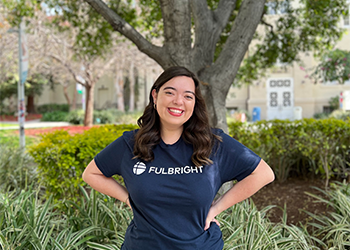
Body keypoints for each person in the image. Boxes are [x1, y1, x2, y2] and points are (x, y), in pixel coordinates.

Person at [82, 66, 275, 250]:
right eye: (170, 92)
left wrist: (216, 209)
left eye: (188, 96)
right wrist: (128, 199)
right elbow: (91, 173)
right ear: (155, 96)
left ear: (194, 103)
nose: (178, 101)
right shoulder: (131, 144)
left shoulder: (213, 144)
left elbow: (263, 174)